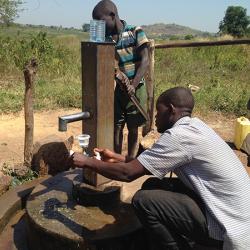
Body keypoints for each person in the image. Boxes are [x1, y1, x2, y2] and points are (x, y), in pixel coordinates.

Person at [73, 87, 250, 250]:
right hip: (237, 214)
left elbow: (128, 174)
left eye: (159, 111)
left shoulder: (179, 137)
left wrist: (86, 161)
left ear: (171, 110)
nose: (155, 117)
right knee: (153, 184)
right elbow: (149, 163)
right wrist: (117, 157)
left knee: (144, 200)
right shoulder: (195, 127)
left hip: (230, 228)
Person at [92, 0, 150, 158]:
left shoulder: (135, 31)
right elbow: (98, 56)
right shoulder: (106, 38)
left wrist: (134, 84)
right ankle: (116, 158)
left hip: (136, 89)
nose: (99, 25)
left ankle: (130, 160)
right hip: (119, 89)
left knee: (133, 127)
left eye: (100, 21)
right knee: (117, 126)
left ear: (112, 16)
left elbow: (145, 60)